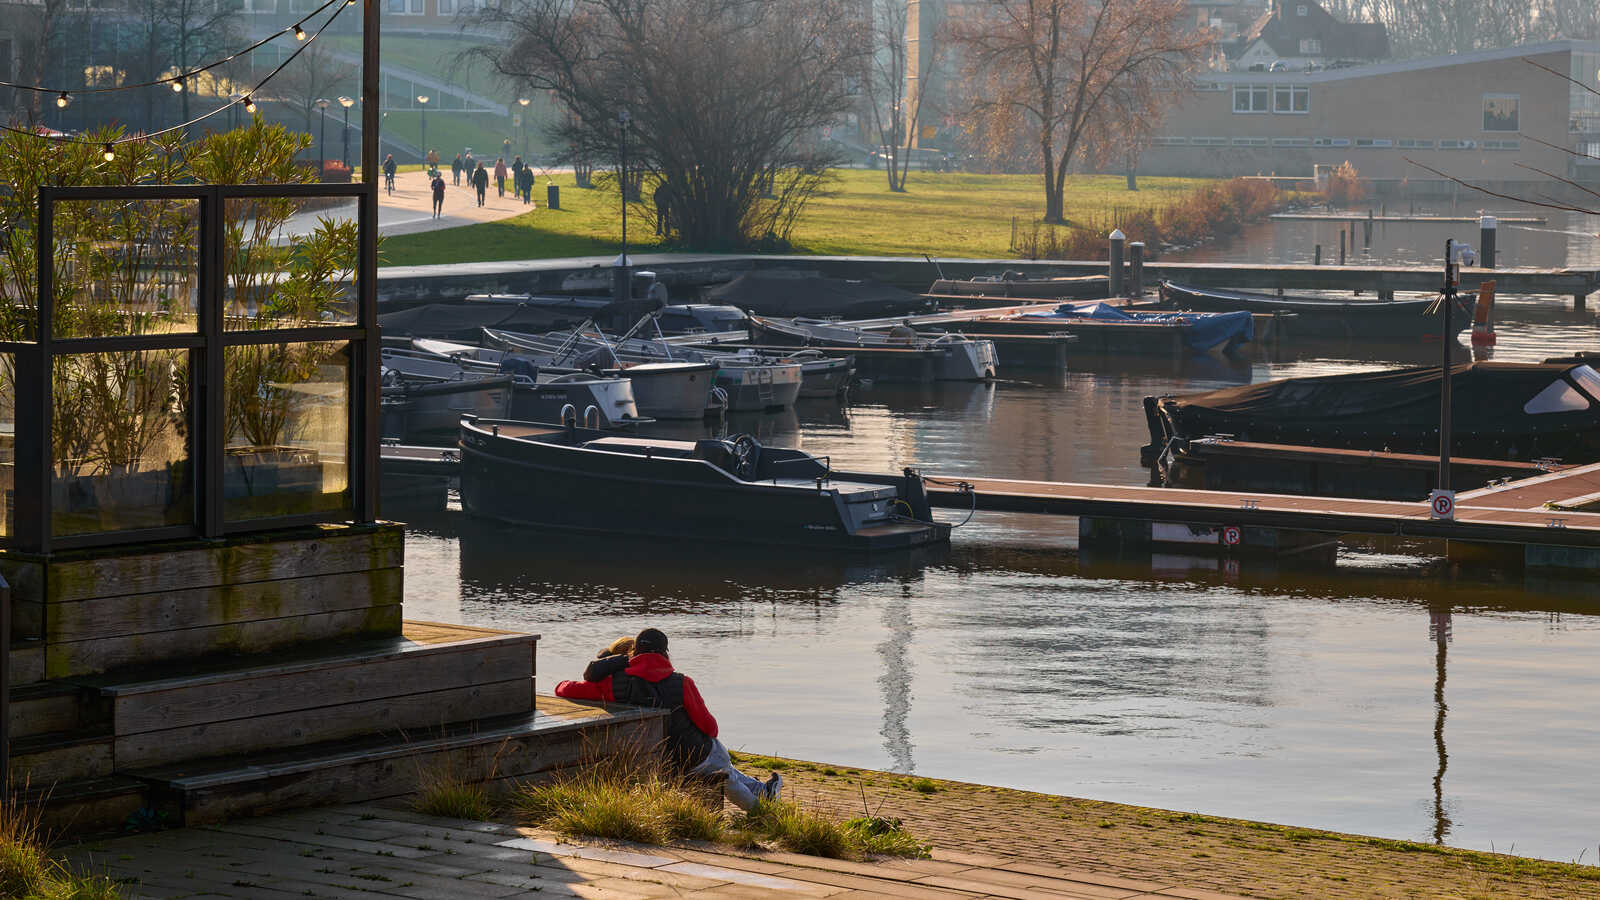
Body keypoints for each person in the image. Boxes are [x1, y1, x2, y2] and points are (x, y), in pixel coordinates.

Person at [557, 628, 781, 811]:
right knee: (715, 753)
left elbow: (563, 689)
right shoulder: (682, 683)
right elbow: (711, 728)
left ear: (634, 652)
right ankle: (760, 807)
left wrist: (616, 663)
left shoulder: (614, 685)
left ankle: (762, 792)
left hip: (643, 761)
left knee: (719, 762)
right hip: (689, 760)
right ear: (665, 653)